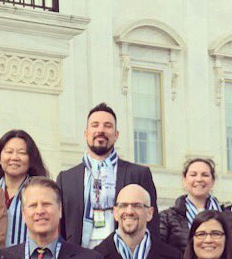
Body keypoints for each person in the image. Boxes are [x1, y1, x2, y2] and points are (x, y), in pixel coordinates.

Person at [57, 103, 157, 248]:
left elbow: (152, 223)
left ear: (116, 135)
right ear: (86, 134)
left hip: (124, 256)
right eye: (95, 125)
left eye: (108, 126)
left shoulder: (138, 174)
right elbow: (60, 225)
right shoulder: (65, 179)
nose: (101, 130)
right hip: (80, 257)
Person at [158, 157, 232, 258]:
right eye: (193, 175)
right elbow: (161, 252)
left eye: (205, 175)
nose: (199, 179)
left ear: (213, 181)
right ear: (184, 180)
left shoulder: (231, 218)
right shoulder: (167, 218)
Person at [0, 129, 49, 248]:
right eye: (9, 152)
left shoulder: (41, 192)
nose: (14, 157)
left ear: (31, 159)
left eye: (22, 153)